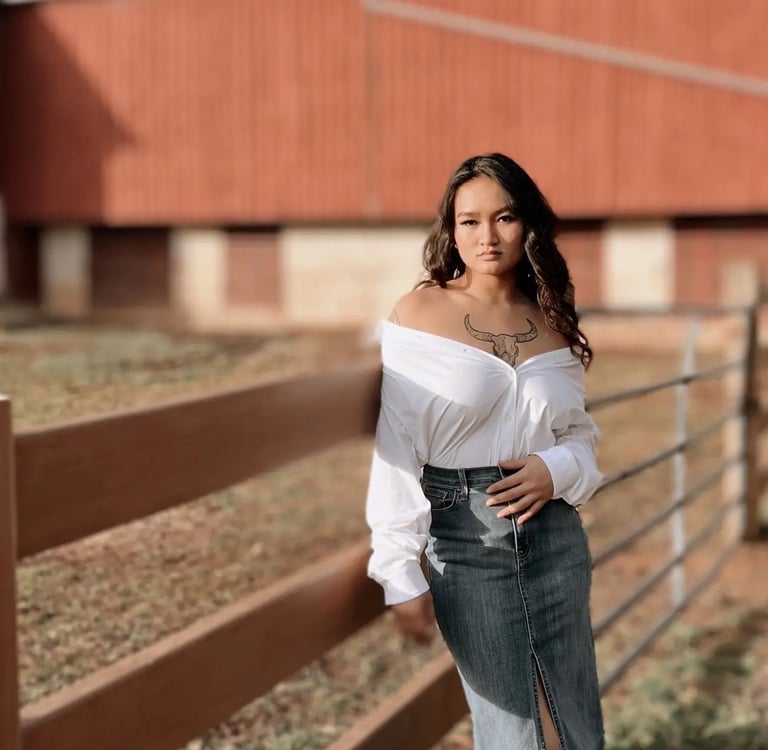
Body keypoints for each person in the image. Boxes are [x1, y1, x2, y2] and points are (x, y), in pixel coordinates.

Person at [365, 153, 604, 750]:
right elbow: (397, 445)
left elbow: (580, 436)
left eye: (504, 218)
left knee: (575, 723)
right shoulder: (418, 313)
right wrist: (399, 570)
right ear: (451, 228)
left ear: (529, 226)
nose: (487, 236)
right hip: (466, 540)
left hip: (555, 536)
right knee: (511, 733)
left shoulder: (552, 319)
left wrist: (558, 467)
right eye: (469, 221)